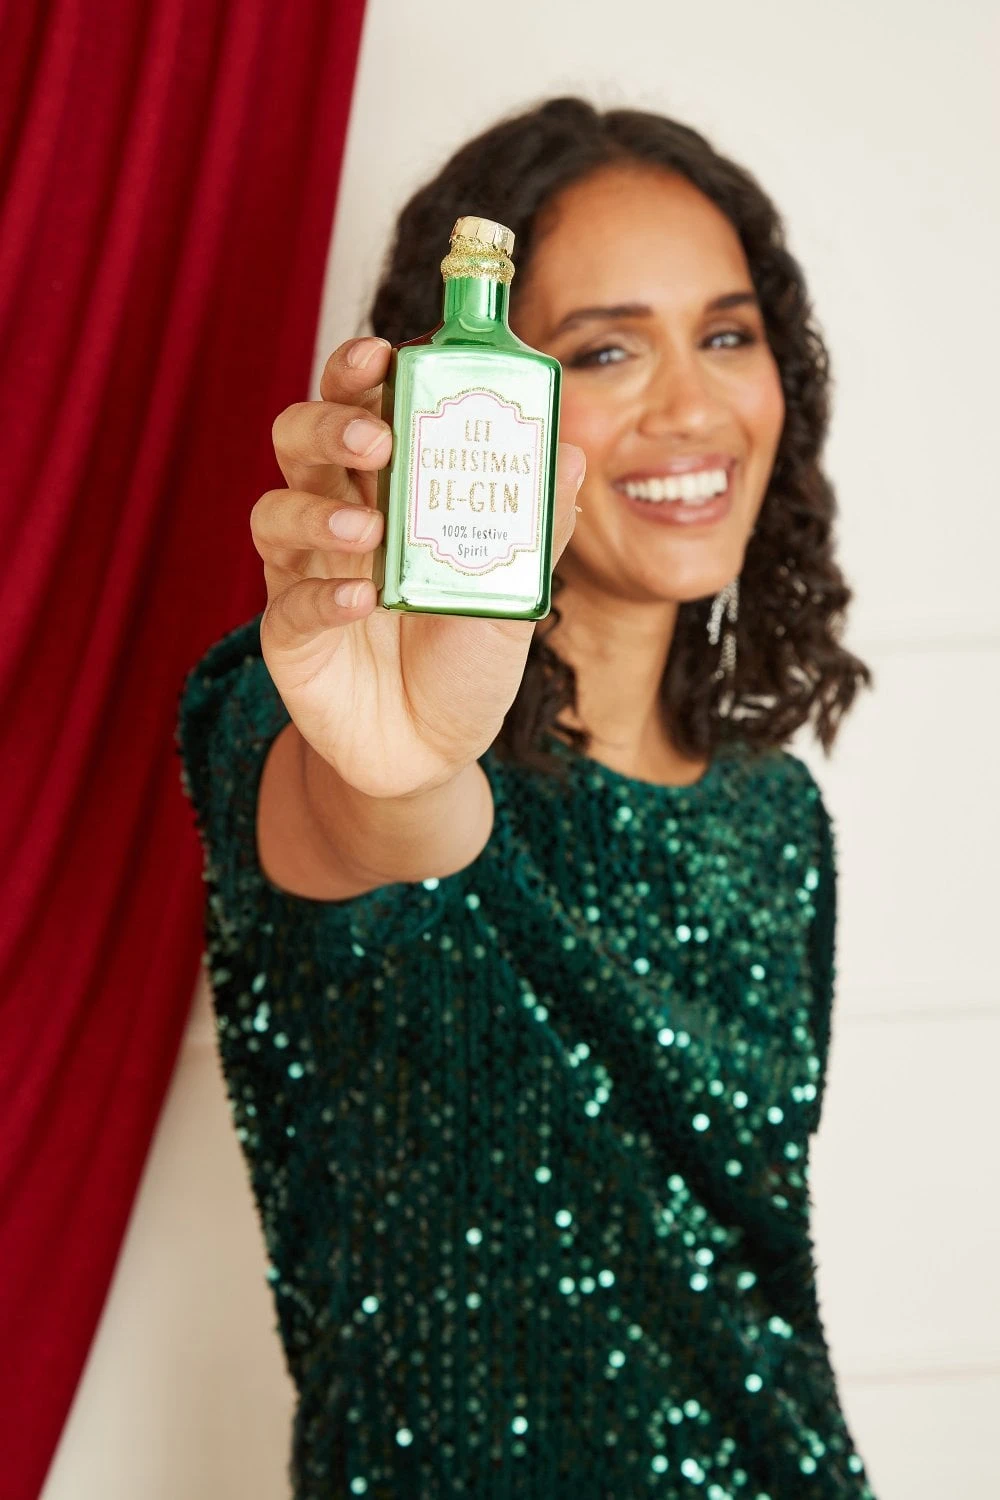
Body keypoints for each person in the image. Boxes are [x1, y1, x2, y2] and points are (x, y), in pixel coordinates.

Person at [177, 96, 876, 1500]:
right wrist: (413, 763)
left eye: (726, 335)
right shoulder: (312, 722)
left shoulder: (775, 818)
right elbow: (394, 824)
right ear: (468, 406)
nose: (692, 407)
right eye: (606, 349)